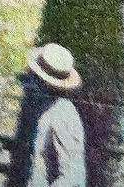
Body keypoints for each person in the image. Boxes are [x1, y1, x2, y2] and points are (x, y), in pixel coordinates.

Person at [25, 44, 87, 187]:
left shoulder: (63, 114)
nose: (31, 77)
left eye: (35, 76)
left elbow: (73, 176)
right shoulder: (45, 107)